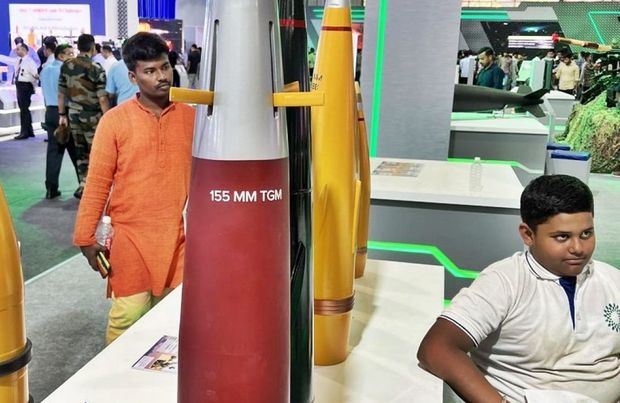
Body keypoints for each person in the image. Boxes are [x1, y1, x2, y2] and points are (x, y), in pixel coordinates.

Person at [417, 175, 620, 403]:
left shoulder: (612, 280)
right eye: (562, 237)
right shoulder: (504, 282)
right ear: (528, 235)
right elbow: (436, 349)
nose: (578, 248)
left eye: (586, 234)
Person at [73, 32, 195, 345]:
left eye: (164, 67)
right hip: (130, 237)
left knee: (174, 319)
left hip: (181, 237)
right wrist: (85, 237)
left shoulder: (193, 118)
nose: (161, 77)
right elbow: (97, 182)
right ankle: (116, 377)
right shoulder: (114, 121)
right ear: (133, 76)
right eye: (150, 71)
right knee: (128, 318)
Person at [58, 34, 109, 199]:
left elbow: (61, 94)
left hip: (73, 115)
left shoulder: (66, 66)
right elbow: (102, 98)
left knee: (80, 152)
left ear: (78, 47)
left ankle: (83, 184)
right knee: (96, 151)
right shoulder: (96, 68)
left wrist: (62, 114)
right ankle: (92, 185)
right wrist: (108, 118)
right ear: (92, 47)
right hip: (93, 116)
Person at [40, 44, 79, 199]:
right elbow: (68, 94)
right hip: (64, 112)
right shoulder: (65, 71)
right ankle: (84, 186)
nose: (73, 57)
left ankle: (51, 188)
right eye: (70, 54)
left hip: (50, 111)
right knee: (76, 150)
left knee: (53, 152)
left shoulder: (45, 70)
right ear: (61, 56)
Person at [13, 43, 39, 140]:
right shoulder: (19, 61)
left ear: (24, 50)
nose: (16, 51)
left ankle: (24, 132)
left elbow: (35, 75)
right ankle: (29, 131)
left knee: (24, 110)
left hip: (25, 86)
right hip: (20, 85)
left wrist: (34, 87)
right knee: (24, 109)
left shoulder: (29, 61)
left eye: (18, 49)